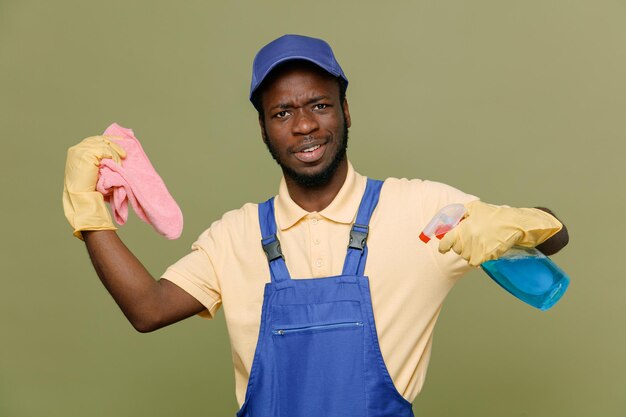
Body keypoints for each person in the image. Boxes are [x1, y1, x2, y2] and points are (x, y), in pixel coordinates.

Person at [63, 34, 569, 416]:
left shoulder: (422, 208)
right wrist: (90, 212)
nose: (304, 125)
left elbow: (557, 235)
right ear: (263, 127)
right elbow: (147, 309)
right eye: (282, 112)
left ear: (345, 111)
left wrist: (522, 225)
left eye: (319, 105)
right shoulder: (236, 236)